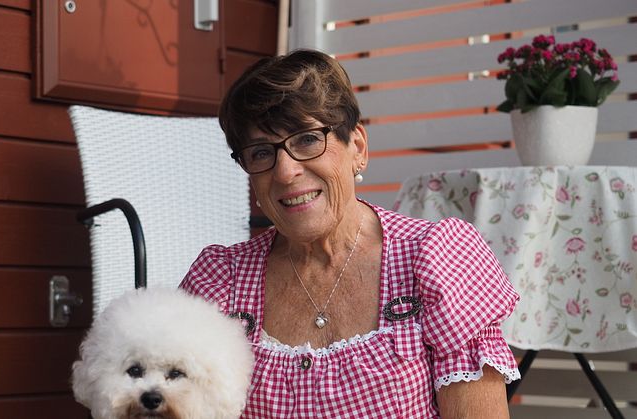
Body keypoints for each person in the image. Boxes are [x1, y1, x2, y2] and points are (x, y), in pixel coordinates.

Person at [180, 49, 520, 418]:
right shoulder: (220, 282)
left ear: (357, 147)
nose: (284, 172)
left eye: (307, 139)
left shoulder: (435, 260)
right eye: (261, 152)